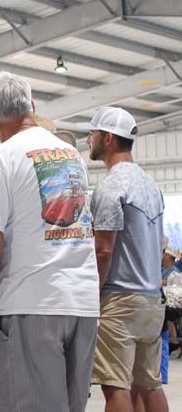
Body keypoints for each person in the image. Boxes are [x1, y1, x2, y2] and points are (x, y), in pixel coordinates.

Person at [0, 72, 99, 412]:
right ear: (31, 105)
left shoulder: (0, 159)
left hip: (32, 302)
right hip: (82, 302)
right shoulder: (70, 154)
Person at [87, 106, 169, 412]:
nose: (88, 139)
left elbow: (103, 249)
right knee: (149, 384)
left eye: (92, 134)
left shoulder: (111, 186)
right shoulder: (151, 186)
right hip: (151, 300)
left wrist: (93, 294)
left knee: (115, 386)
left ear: (107, 138)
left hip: (120, 301)